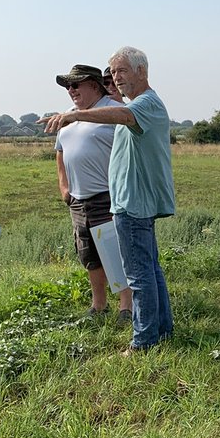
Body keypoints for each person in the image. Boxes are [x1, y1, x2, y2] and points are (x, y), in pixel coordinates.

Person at [42, 47, 175, 353]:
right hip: (131, 201)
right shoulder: (141, 103)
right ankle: (162, 329)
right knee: (149, 269)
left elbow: (122, 115)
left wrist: (74, 115)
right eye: (113, 72)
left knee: (139, 274)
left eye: (122, 71)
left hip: (133, 201)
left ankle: (143, 341)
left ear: (142, 71)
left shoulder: (145, 104)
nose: (116, 77)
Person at [52, 63, 133, 322]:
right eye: (68, 86)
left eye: (75, 84)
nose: (71, 90)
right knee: (88, 253)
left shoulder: (111, 111)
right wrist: (64, 187)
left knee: (115, 251)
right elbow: (60, 152)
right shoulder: (67, 116)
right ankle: (99, 304)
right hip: (78, 199)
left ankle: (126, 305)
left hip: (107, 195)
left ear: (94, 85)